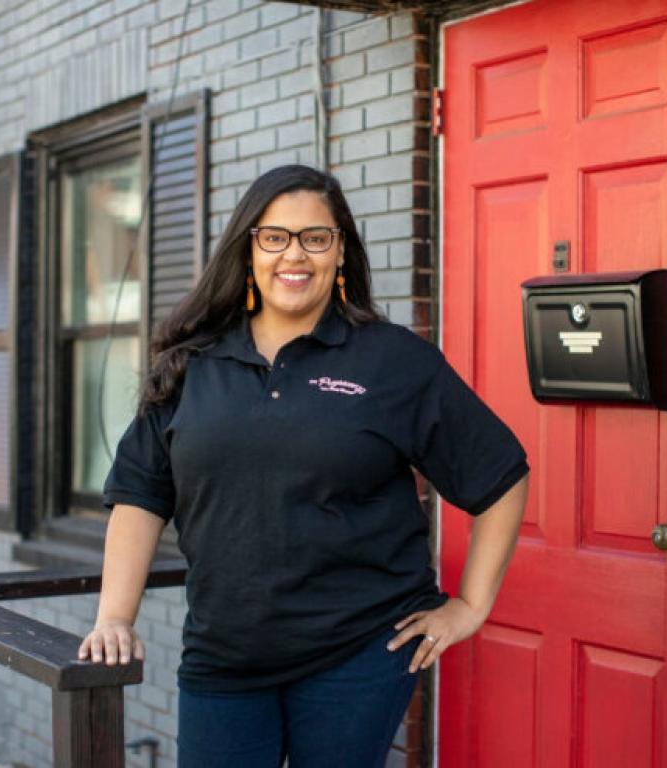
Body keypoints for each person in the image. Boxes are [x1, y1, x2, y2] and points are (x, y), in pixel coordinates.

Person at [77, 164, 530, 767]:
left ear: (340, 251)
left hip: (360, 652)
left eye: (316, 237)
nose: (296, 254)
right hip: (224, 655)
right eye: (275, 237)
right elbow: (140, 493)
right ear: (248, 250)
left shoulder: (392, 360)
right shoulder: (193, 364)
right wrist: (115, 617)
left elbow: (500, 475)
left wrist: (470, 606)